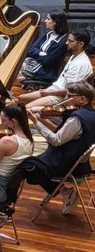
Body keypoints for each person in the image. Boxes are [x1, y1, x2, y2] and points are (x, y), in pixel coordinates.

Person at [16, 80, 95, 214]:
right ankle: (66, 191)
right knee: (29, 163)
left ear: (82, 99)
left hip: (62, 162)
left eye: (69, 96)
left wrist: (36, 122)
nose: (65, 99)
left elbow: (56, 140)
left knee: (24, 165)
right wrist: (41, 119)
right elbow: (61, 133)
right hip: (78, 163)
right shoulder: (90, 114)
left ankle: (6, 205)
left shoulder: (76, 119)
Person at [18, 31, 92, 112]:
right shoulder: (73, 56)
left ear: (81, 44)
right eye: (67, 40)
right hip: (53, 90)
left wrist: (48, 93)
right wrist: (48, 91)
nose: (67, 43)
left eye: (70, 41)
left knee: (25, 109)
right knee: (20, 98)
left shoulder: (81, 64)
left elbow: (71, 92)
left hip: (61, 97)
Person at [0, 103, 33, 202]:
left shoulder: (7, 141)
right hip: (6, 187)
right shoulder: (30, 141)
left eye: (3, 120)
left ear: (13, 122)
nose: (2, 124)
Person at [18, 11, 69, 88]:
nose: (45, 21)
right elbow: (30, 49)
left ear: (55, 22)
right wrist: (39, 53)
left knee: (14, 76)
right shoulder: (47, 34)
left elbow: (47, 60)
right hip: (33, 64)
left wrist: (36, 54)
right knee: (12, 72)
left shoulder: (62, 41)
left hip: (45, 71)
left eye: (48, 19)